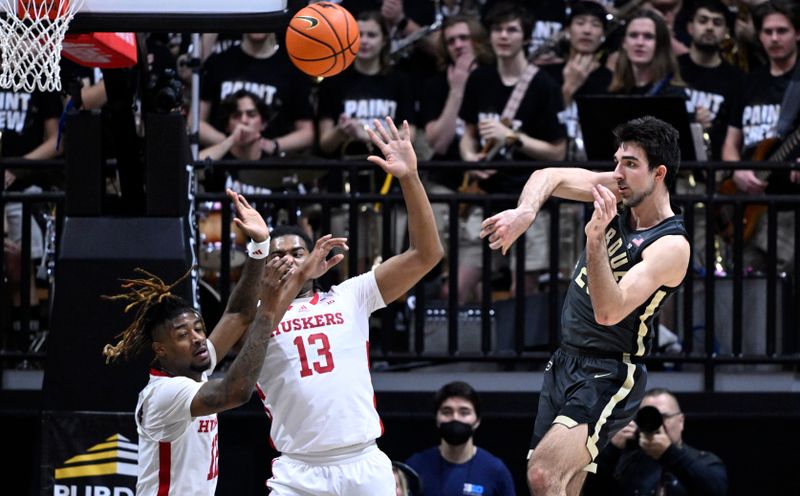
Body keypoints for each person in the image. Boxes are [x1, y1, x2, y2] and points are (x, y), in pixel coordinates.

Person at [479, 115, 691, 496]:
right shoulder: (620, 192)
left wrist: (594, 242)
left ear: (659, 174)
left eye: (630, 164)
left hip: (609, 371)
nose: (617, 173)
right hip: (566, 360)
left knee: (542, 474)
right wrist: (525, 212)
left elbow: (609, 311)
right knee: (561, 484)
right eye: (617, 162)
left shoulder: (670, 246)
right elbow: (549, 176)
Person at [101, 188, 347, 495]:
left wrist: (259, 247)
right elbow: (236, 391)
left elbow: (238, 313)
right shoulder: (165, 394)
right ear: (160, 350)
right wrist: (269, 309)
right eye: (182, 335)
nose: (198, 338)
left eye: (199, 328)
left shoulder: (195, 369)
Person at [257, 116, 443, 496]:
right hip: (299, 471)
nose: (291, 259)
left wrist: (410, 178)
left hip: (364, 461)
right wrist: (293, 280)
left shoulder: (349, 295)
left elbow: (426, 254)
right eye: (280, 255)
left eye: (299, 252)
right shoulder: (257, 315)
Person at [459, 1, 567, 302]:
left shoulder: (544, 86)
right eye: (497, 29)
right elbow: (467, 137)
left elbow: (558, 152)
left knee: (526, 291)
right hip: (484, 197)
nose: (503, 36)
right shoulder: (480, 79)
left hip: (527, 201)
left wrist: (512, 137)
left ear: (526, 37)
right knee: (457, 285)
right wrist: (471, 159)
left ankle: (516, 349)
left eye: (511, 30)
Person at [720, 0, 799, 273]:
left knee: (783, 281)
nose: (774, 38)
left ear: (797, 34)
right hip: (747, 199)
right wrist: (738, 171)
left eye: (782, 30)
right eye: (767, 32)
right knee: (746, 277)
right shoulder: (749, 82)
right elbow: (731, 143)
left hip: (787, 203)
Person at [586, 388, 728, 495]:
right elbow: (587, 490)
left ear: (681, 421)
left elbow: (717, 490)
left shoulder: (703, 461)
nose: (657, 424)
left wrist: (669, 453)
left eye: (664, 417)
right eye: (650, 417)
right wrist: (612, 449)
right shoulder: (626, 463)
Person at [199, 32, 314, 157]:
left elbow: (307, 133)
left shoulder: (291, 70)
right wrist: (230, 143)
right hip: (222, 164)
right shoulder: (219, 62)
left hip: (269, 167)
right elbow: (195, 122)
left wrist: (273, 145)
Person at [406, 381, 516, 496]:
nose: (455, 418)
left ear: (477, 421)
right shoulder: (415, 466)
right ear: (437, 419)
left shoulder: (495, 470)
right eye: (447, 412)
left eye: (464, 412)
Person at [678, 0, 746, 161]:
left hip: (714, 169)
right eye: (703, 21)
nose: (709, 27)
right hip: (671, 166)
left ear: (726, 32)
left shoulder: (738, 80)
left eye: (717, 23)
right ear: (690, 28)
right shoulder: (671, 69)